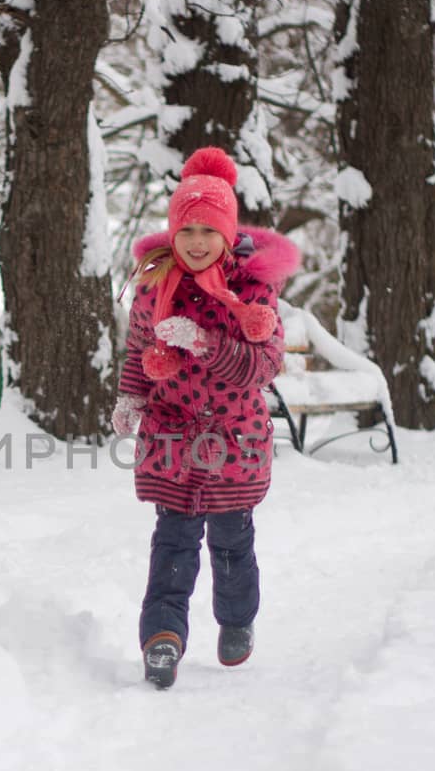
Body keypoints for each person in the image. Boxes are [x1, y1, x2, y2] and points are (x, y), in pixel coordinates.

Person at [111, 147, 301, 689]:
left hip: (233, 441)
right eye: (186, 229)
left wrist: (203, 342)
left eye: (208, 231)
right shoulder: (154, 286)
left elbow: (263, 367)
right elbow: (138, 350)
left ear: (227, 234)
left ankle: (237, 620)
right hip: (171, 437)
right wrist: (132, 399)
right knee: (172, 541)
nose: (196, 242)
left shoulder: (251, 292)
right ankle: (162, 639)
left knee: (230, 543)